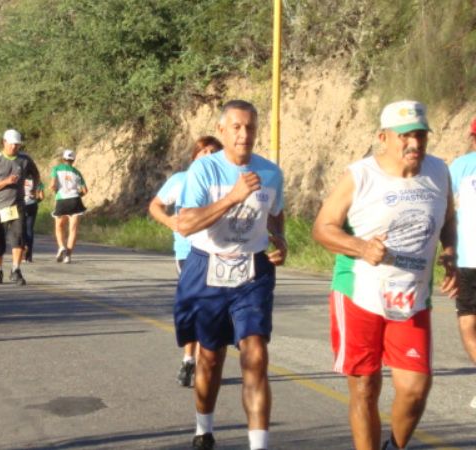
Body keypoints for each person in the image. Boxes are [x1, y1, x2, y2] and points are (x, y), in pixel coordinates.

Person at [312, 100, 457, 450]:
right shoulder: (360, 175)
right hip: (359, 293)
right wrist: (361, 248)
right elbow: (322, 228)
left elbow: (449, 222)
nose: (415, 143)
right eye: (405, 135)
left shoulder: (438, 172)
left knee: (416, 387)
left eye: (421, 135)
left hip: (411, 297)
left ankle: (395, 445)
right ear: (383, 137)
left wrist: (450, 253)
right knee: (365, 386)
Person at [174, 100, 286, 450]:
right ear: (222, 131)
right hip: (206, 267)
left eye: (250, 127)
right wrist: (232, 197)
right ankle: (203, 429)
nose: (244, 134)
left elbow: (276, 215)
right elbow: (185, 223)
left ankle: (259, 445)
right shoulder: (204, 171)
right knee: (210, 356)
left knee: (256, 353)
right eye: (236, 127)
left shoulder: (271, 173)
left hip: (253, 272)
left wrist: (280, 240)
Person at [149, 136, 222, 388]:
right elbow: (156, 205)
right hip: (188, 252)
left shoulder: (224, 182)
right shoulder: (180, 180)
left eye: (214, 151)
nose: (208, 154)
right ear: (195, 155)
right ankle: (189, 358)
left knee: (211, 309)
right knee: (198, 306)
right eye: (204, 151)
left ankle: (202, 361)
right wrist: (170, 222)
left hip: (219, 252)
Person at [0, 129, 40, 285]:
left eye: (17, 145)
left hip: (18, 206)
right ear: (4, 142)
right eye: (12, 144)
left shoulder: (25, 160)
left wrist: (35, 188)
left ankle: (16, 269)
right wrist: (6, 182)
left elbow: (36, 174)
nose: (15, 147)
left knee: (19, 238)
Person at [449, 117, 476, 405]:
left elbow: (443, 203)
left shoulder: (461, 166)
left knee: (468, 321)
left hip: (470, 258)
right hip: (468, 258)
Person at [51, 149, 88, 264]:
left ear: (63, 159)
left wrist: (56, 191)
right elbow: (85, 190)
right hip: (75, 200)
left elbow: (52, 185)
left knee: (59, 226)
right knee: (73, 230)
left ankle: (61, 246)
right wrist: (77, 195)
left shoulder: (56, 169)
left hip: (62, 200)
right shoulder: (77, 172)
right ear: (73, 160)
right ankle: (68, 256)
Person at [23, 174, 44, 263]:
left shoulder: (20, 177)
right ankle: (29, 256)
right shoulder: (37, 180)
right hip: (32, 205)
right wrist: (35, 201)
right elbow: (42, 197)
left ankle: (22, 254)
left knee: (20, 229)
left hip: (21, 205)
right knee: (29, 230)